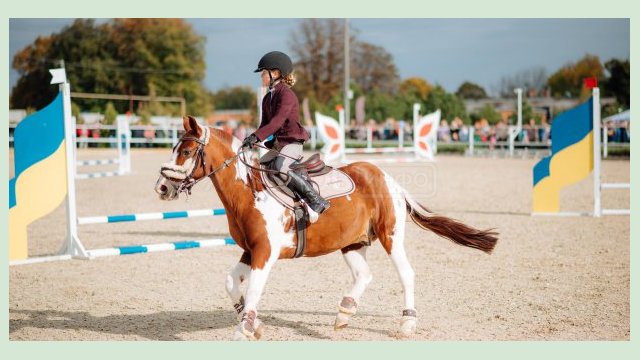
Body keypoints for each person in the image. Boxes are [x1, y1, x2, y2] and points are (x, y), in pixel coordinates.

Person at [241, 51, 330, 214]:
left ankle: (315, 199)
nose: (261, 76)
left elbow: (277, 122)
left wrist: (257, 136)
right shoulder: (267, 98)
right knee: (259, 169)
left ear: (275, 73)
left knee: (282, 168)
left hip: (292, 143)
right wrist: (251, 139)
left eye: (263, 73)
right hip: (277, 145)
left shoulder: (287, 95)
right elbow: (265, 124)